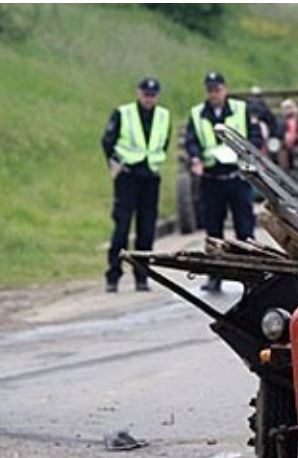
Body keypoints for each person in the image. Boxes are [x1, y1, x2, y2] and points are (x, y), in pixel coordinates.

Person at [184, 71, 264, 293]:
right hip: (211, 179)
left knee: (245, 229)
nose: (214, 94)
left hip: (236, 177)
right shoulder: (198, 114)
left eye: (217, 89)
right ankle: (215, 276)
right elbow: (191, 141)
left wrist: (248, 154)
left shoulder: (241, 110)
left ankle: (251, 277)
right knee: (213, 231)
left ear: (225, 89)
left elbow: (256, 136)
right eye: (210, 90)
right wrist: (195, 158)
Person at [101, 77, 171, 293]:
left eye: (153, 95)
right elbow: (107, 141)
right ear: (138, 93)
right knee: (122, 227)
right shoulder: (123, 113)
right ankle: (113, 275)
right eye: (145, 94)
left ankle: (142, 276)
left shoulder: (163, 115)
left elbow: (164, 142)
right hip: (128, 176)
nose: (149, 98)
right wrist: (116, 167)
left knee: (147, 228)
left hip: (150, 176)